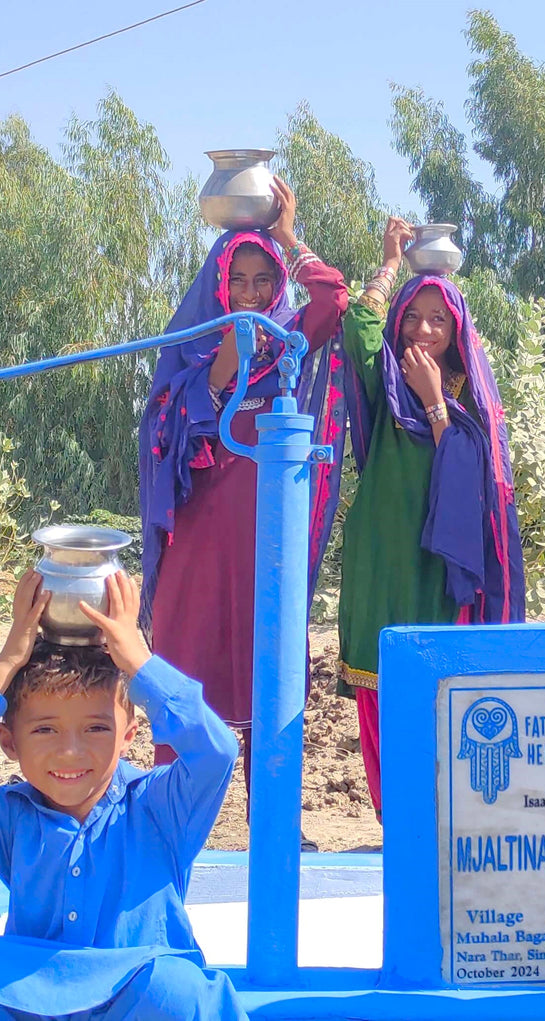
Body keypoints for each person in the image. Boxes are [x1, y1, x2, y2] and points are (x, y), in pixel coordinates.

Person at [139, 177, 347, 824]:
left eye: (265, 280)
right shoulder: (193, 345)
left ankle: (273, 834)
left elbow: (333, 297)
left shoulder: (290, 343)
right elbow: (163, 427)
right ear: (220, 285)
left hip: (269, 540)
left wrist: (289, 235)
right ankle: (169, 832)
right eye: (241, 282)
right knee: (185, 668)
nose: (253, 293)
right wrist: (223, 361)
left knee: (270, 670)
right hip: (199, 546)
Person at [337, 217, 525, 819]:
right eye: (412, 317)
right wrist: (390, 262)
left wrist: (435, 402)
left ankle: (450, 818)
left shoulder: (471, 393)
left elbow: (473, 482)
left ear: (457, 327)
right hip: (384, 558)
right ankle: (396, 821)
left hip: (443, 569)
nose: (424, 329)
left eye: (438, 319)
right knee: (381, 687)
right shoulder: (382, 379)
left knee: (442, 691)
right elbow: (356, 327)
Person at [0, 569, 245, 1020]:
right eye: (45, 729)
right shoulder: (12, 816)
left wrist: (138, 661)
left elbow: (216, 752)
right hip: (31, 994)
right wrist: (10, 658)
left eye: (96, 728)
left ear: (130, 733)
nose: (70, 750)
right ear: (10, 741)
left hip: (138, 994)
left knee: (181, 989)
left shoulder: (158, 805)